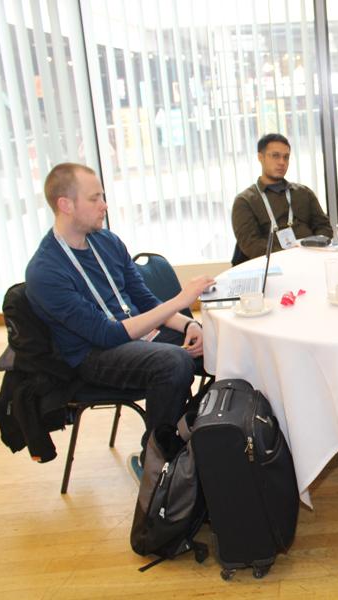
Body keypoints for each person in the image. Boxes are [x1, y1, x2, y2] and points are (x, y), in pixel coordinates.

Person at [25, 163, 215, 477]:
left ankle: (199, 439)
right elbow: (108, 334)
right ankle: (154, 462)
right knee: (173, 363)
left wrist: (190, 325)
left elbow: (146, 302)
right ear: (66, 205)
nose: (104, 205)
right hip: (93, 354)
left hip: (135, 334)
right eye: (94, 198)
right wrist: (182, 301)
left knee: (219, 343)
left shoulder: (107, 242)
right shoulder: (45, 271)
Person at [232, 133, 334, 264]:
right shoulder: (245, 201)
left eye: (286, 157)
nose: (282, 162)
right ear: (260, 157)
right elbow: (252, 245)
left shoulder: (304, 193)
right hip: (273, 266)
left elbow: (324, 228)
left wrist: (314, 248)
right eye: (275, 156)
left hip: (311, 259)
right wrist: (289, 257)